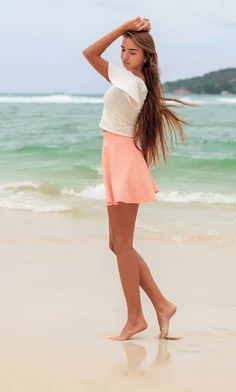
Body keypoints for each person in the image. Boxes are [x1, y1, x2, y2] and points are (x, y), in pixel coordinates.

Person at [83, 17, 194, 341]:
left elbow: (89, 53)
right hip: (117, 156)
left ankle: (136, 319)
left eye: (132, 51)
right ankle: (161, 305)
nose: (124, 56)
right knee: (118, 244)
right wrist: (125, 34)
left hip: (122, 159)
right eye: (122, 50)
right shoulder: (131, 80)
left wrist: (121, 27)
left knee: (123, 245)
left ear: (146, 56)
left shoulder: (132, 83)